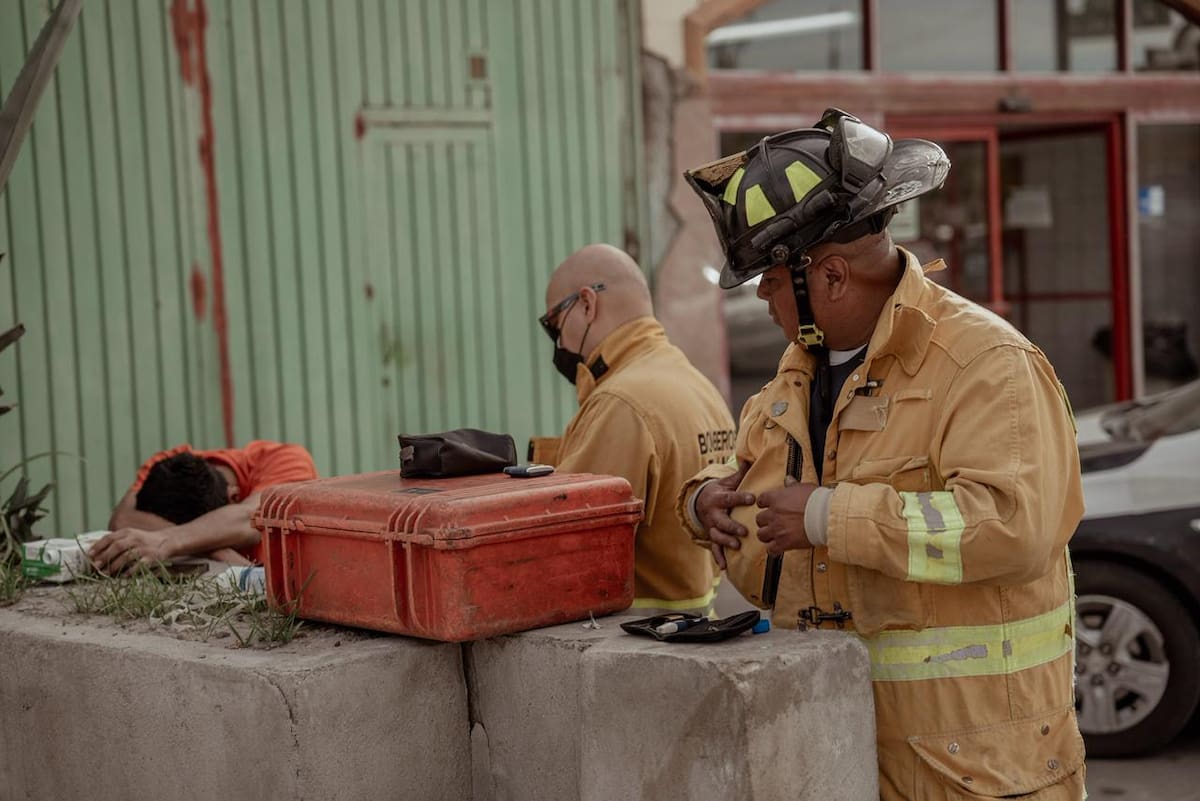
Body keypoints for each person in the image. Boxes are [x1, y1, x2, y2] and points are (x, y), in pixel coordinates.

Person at [676, 110, 1086, 799]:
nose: (765, 301)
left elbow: (1013, 528)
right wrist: (705, 503)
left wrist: (830, 516)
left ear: (830, 277)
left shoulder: (986, 364)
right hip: (833, 752)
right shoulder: (797, 374)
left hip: (973, 775)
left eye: (772, 281)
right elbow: (753, 482)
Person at [538, 244, 736, 614]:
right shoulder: (697, 386)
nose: (559, 343)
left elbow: (569, 553)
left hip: (633, 649)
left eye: (554, 325)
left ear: (586, 304)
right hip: (695, 633)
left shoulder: (621, 404)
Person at [91, 440, 317, 574]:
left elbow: (252, 519)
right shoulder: (170, 466)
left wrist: (165, 540)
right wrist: (210, 546)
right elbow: (122, 519)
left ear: (234, 497)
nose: (198, 535)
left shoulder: (288, 460)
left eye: (208, 527)